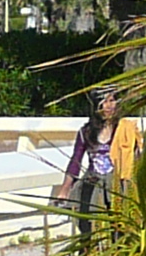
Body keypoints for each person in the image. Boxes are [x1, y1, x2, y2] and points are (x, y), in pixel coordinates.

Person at [57, 87, 135, 224]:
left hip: (118, 183)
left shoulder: (123, 129)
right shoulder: (86, 132)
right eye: (104, 102)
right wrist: (65, 189)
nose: (109, 106)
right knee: (88, 222)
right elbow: (76, 160)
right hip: (93, 181)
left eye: (112, 101)